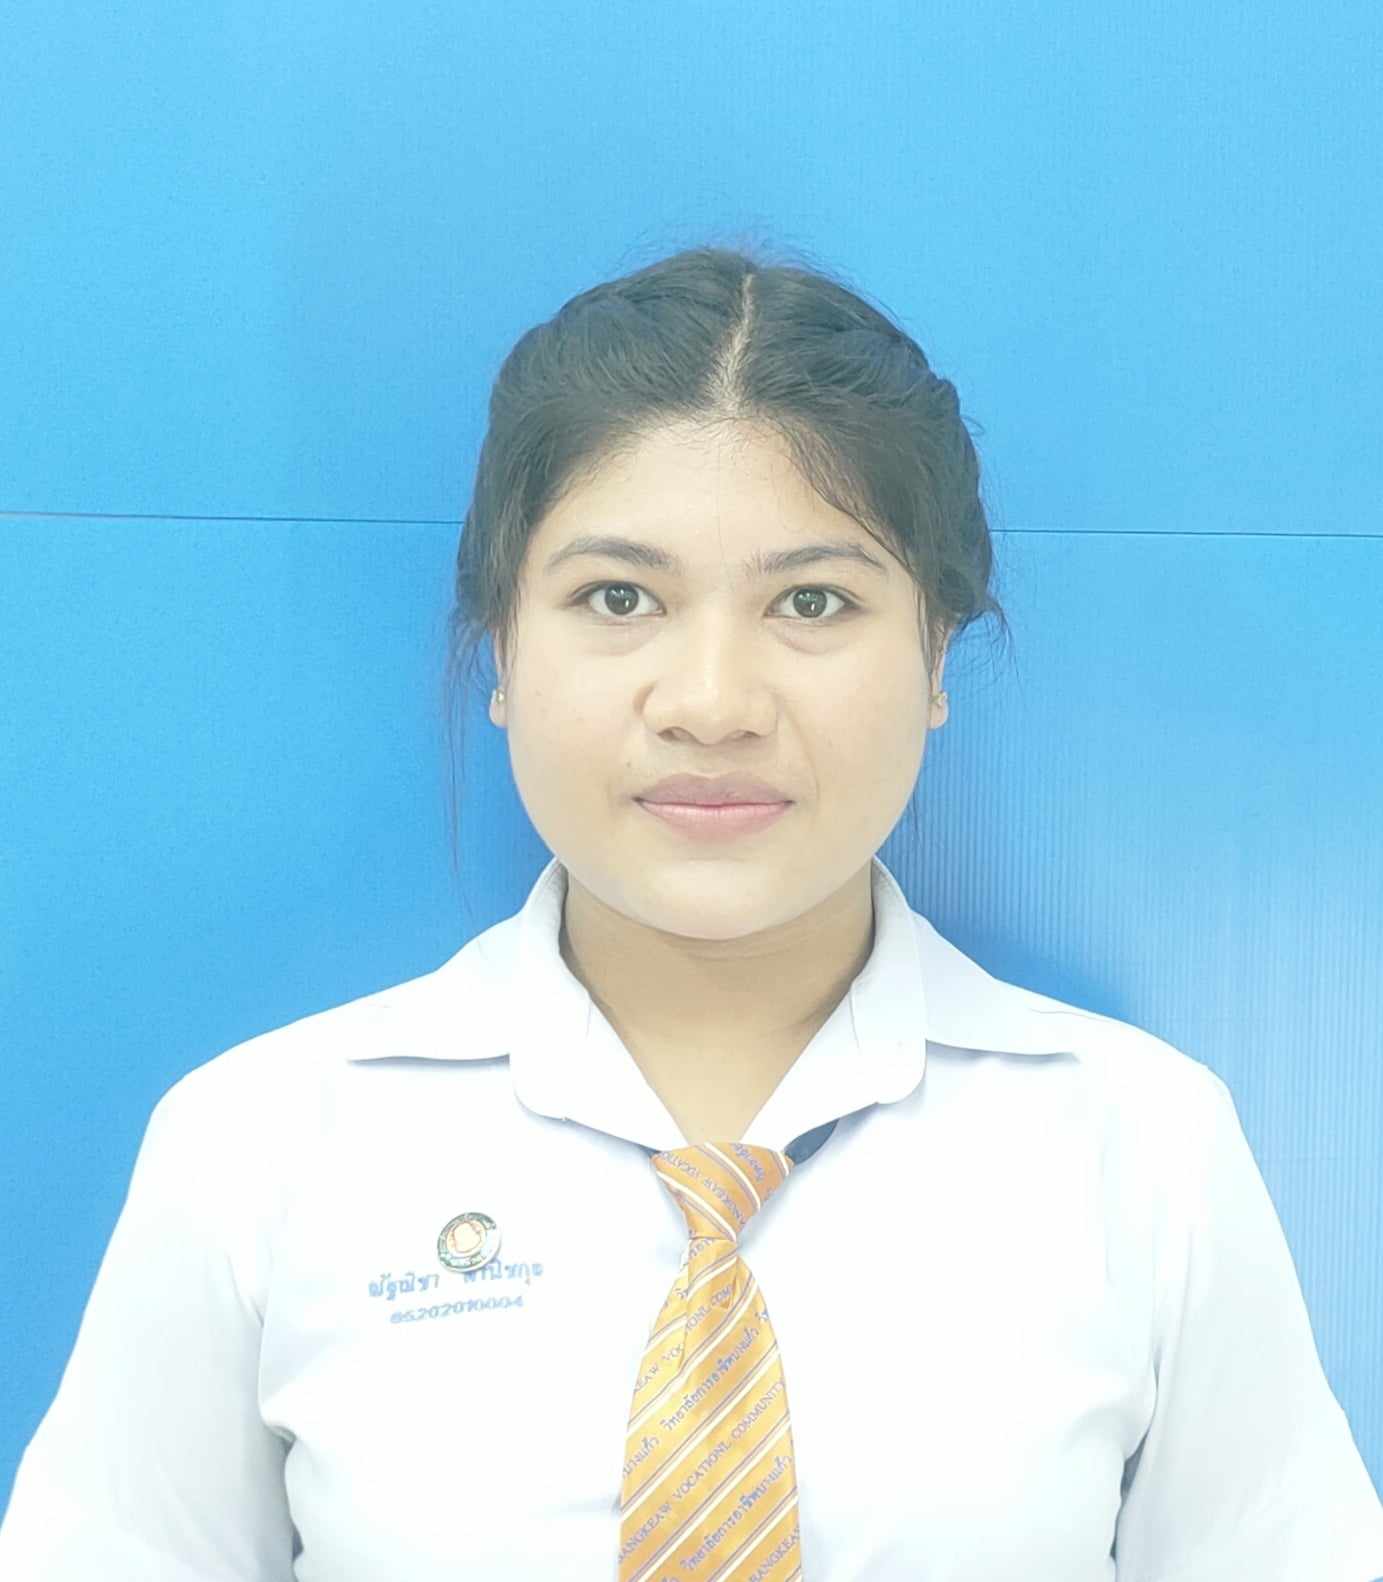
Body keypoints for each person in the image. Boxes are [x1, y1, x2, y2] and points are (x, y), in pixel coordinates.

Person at [3, 243, 1382, 1580]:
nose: (712, 702)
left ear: (936, 657)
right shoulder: (258, 1149)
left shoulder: (1143, 1151)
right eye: (619, 597)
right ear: (500, 652)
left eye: (813, 601)